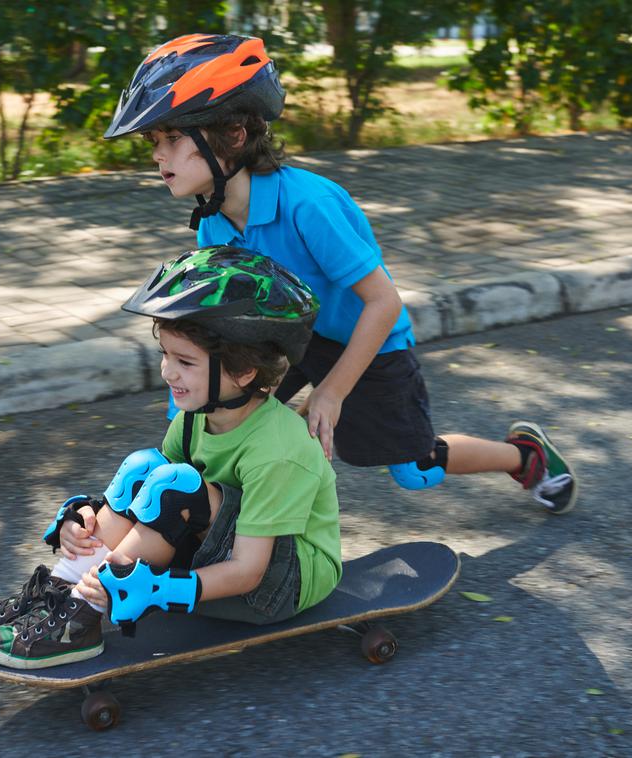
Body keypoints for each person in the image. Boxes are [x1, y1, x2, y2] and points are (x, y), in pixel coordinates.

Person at [103, 32, 577, 514]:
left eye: (173, 138)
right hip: (292, 336)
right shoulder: (215, 221)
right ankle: (213, 525)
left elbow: (384, 302)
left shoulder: (309, 204)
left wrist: (330, 392)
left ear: (234, 135)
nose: (158, 155)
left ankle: (525, 456)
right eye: (154, 141)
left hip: (365, 339)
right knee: (216, 415)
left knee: (416, 471)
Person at [0, 246, 342, 669]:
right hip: (226, 558)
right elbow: (148, 504)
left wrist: (160, 590)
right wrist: (86, 529)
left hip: (280, 585)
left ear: (245, 372)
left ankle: (83, 614)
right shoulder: (195, 419)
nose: (167, 372)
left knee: (176, 487)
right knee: (145, 468)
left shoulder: (278, 452)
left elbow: (248, 571)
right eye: (166, 355)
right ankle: (62, 591)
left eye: (185, 362)